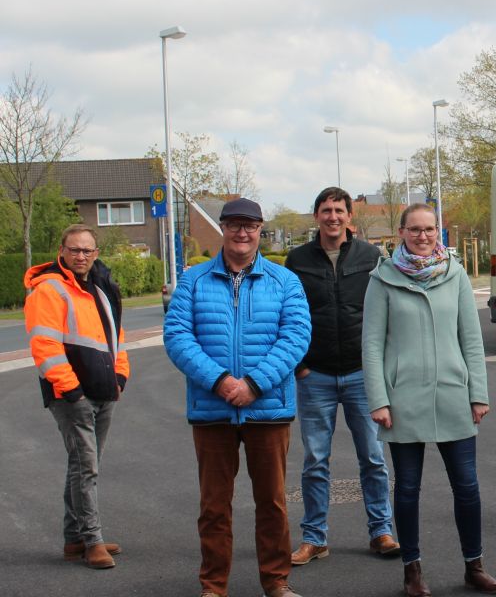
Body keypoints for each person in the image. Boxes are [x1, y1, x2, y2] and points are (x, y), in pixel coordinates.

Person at [164, 197, 311, 597]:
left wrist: (254, 384)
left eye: (249, 225)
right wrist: (221, 382)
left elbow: (296, 337)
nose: (242, 233)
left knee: (273, 504)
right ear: (223, 229)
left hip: (268, 409)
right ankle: (213, 586)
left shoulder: (285, 282)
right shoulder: (193, 281)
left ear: (260, 229)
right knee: (214, 507)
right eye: (234, 225)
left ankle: (277, 583)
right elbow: (177, 337)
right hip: (212, 409)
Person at [363, 203, 496, 597]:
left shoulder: (455, 274)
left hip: (453, 395)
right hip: (402, 399)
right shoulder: (383, 278)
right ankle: (412, 570)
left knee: (467, 486)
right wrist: (379, 399)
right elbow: (371, 346)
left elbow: (471, 340)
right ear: (401, 232)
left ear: (437, 232)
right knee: (407, 488)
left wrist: (478, 392)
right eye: (415, 229)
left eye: (429, 229)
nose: (423, 236)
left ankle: (474, 566)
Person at [284, 187, 397, 566]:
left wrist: (380, 365)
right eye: (325, 210)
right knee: (315, 460)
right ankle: (314, 538)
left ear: (350, 216)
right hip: (313, 375)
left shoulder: (371, 256)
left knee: (373, 457)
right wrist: (298, 365)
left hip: (361, 374)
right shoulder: (296, 260)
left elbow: (384, 311)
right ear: (316, 215)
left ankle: (381, 531)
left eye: (339, 210)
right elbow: (288, 315)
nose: (332, 216)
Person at [25, 224, 128, 569]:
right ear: (62, 250)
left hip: (104, 391)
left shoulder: (99, 286)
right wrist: (71, 390)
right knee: (87, 468)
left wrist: (120, 375)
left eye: (88, 250)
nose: (81, 256)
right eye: (75, 250)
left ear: (96, 253)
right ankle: (93, 541)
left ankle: (74, 540)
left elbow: (116, 335)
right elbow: (45, 345)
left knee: (82, 465)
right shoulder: (49, 289)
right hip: (72, 395)